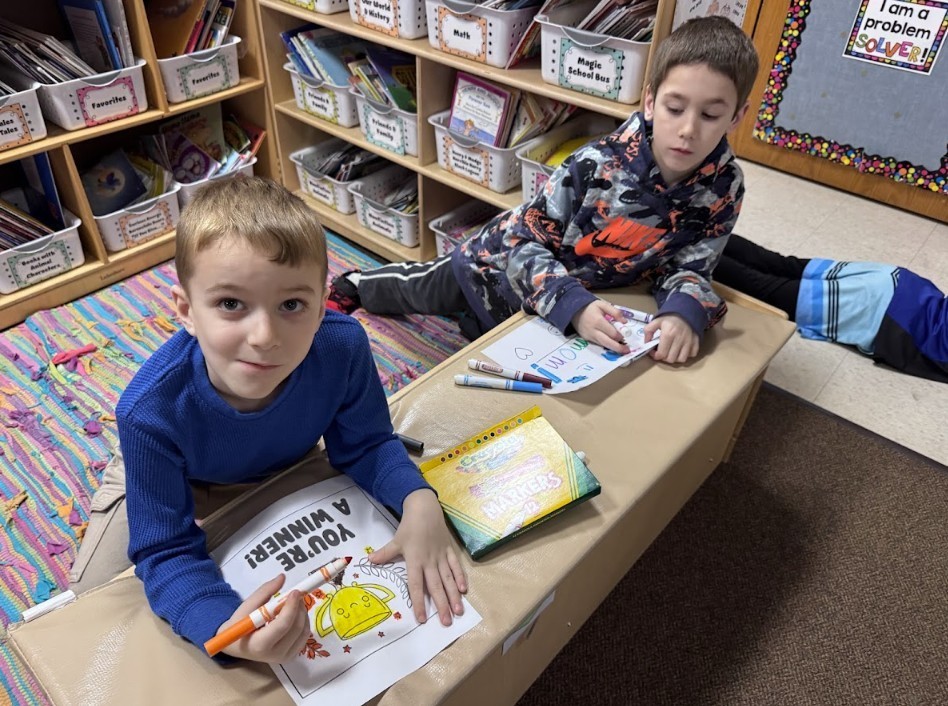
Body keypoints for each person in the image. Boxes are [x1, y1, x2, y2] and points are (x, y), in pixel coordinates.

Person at [68, 177, 467, 664]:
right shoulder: (148, 412)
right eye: (231, 304)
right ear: (186, 311)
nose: (265, 336)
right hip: (177, 471)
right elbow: (165, 549)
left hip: (285, 461)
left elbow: (366, 444)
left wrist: (418, 499)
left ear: (322, 306)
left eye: (292, 305)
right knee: (94, 606)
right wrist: (226, 629)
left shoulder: (342, 346)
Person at [328, 16, 760, 364]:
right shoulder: (595, 164)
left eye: (710, 114)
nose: (687, 130)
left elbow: (693, 267)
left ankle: (479, 320)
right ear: (649, 102)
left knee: (487, 332)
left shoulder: (726, 187)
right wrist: (573, 304)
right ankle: (354, 283)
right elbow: (519, 241)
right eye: (674, 107)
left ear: (736, 117)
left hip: (568, 297)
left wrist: (684, 312)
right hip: (493, 262)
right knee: (424, 287)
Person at [715, 234, 948, 383]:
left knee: (780, 263)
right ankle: (687, 250)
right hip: (883, 314)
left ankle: (699, 228)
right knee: (765, 288)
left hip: (904, 284)